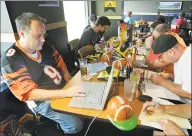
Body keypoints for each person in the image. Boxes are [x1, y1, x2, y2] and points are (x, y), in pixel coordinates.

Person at [1, 12, 85, 135]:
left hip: (63, 89)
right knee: (75, 125)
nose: (43, 39)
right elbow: (29, 94)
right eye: (38, 36)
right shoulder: (11, 59)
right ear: (22, 33)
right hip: (42, 101)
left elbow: (62, 67)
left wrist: (72, 84)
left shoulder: (46, 45)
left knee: (84, 108)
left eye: (44, 35)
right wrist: (67, 93)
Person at [148, 34, 191, 103]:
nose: (160, 60)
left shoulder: (189, 59)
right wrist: (168, 76)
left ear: (170, 52)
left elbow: (189, 92)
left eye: (160, 57)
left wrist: (162, 82)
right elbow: (185, 79)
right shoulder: (181, 57)